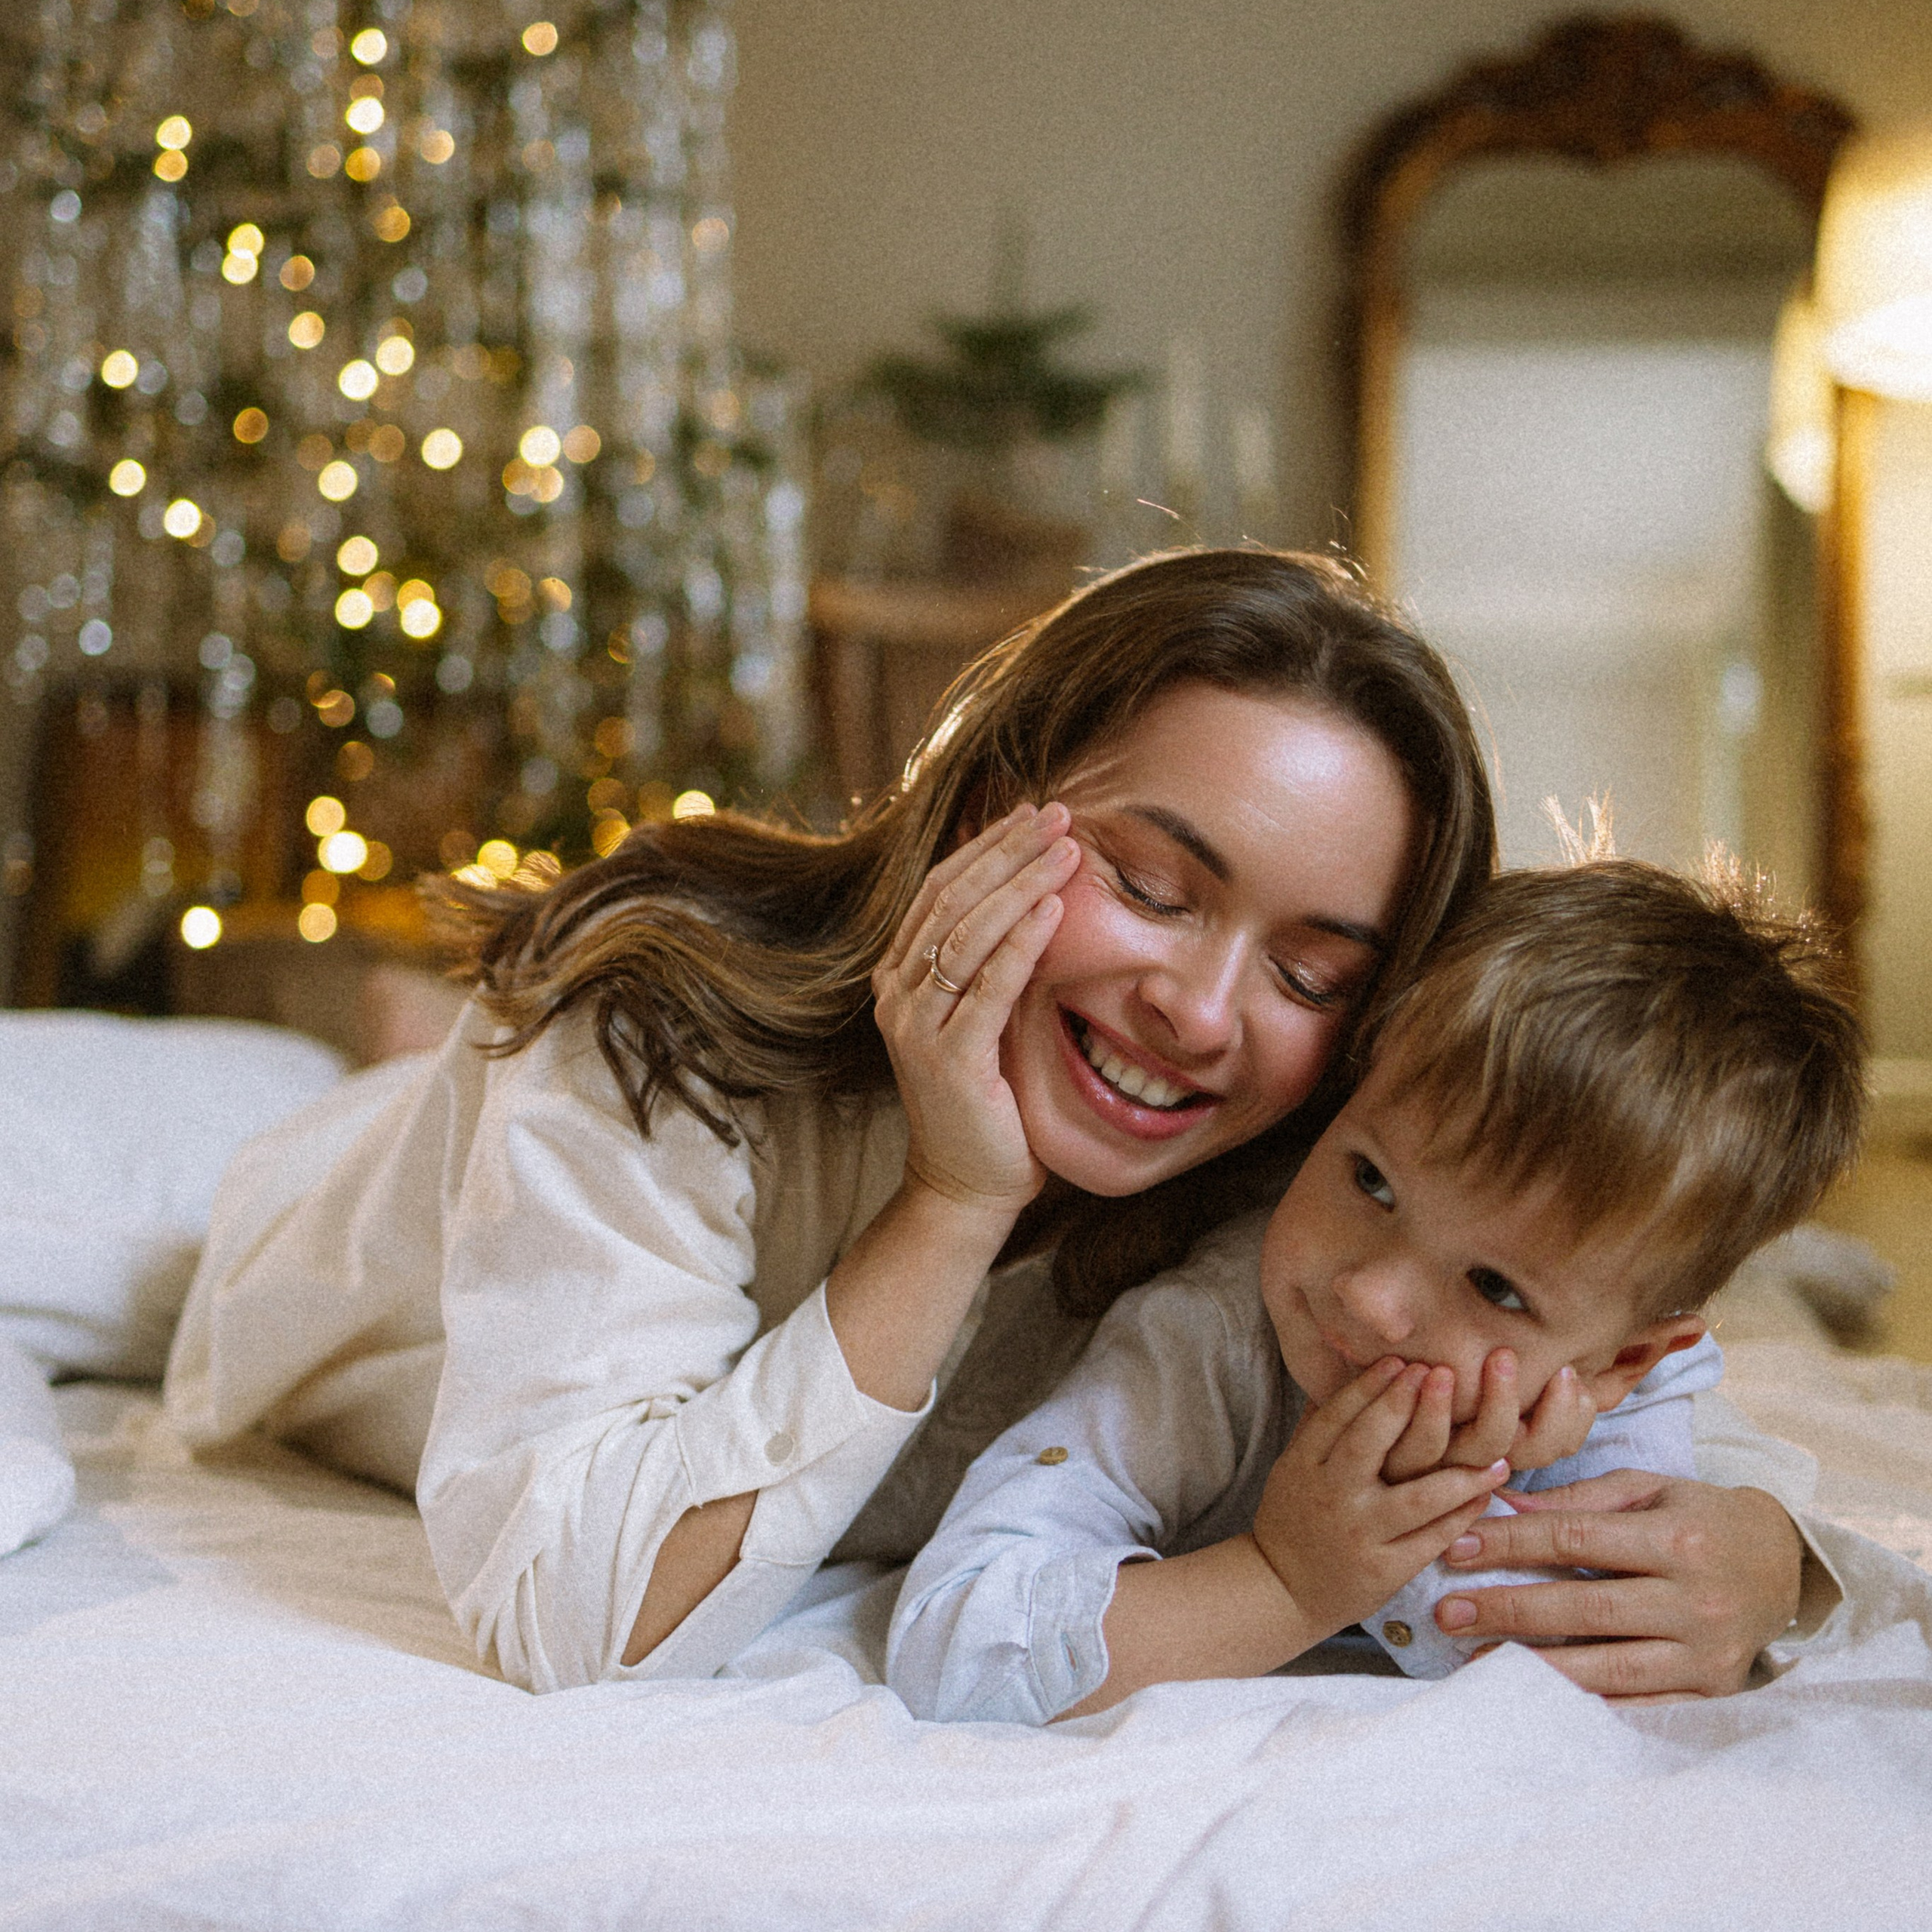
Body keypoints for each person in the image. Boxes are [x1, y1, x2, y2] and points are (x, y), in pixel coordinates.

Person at [162, 548, 1817, 1697]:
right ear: (979, 810)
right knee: (258, 1149)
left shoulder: (1313, 1174)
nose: (1200, 1009)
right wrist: (949, 1204)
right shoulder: (665, 1032)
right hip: (332, 1264)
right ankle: (406, 1050)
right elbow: (574, 1620)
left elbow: (1611, 1331)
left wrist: (1762, 1554)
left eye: (1311, 970)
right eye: (1152, 888)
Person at [887, 858, 1863, 1720]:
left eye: (1495, 1287)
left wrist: (1749, 1560)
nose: (1370, 1297)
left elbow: (1610, 1670)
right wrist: (1285, 1582)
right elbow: (951, 1649)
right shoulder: (1209, 1339)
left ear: (1623, 1362)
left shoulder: (1626, 1388)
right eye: (1370, 1179)